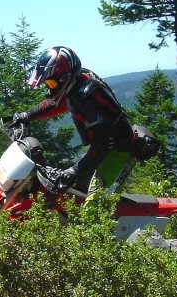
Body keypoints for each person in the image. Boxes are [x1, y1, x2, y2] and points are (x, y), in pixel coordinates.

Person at [10, 46, 136, 194]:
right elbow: (54, 103)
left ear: (65, 78)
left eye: (51, 83)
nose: (49, 88)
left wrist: (73, 171)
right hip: (104, 147)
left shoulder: (86, 97)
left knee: (94, 206)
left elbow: (103, 144)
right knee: (74, 194)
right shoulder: (78, 82)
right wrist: (26, 115)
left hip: (118, 151)